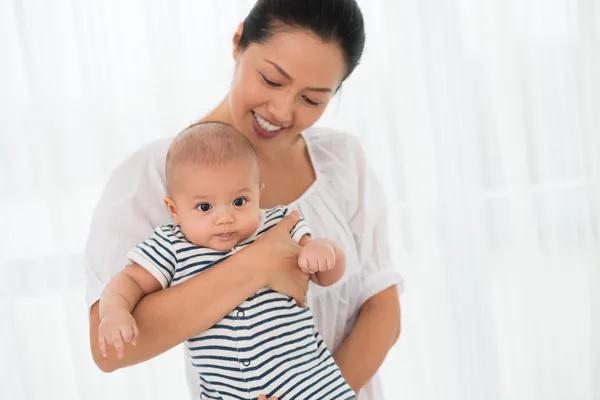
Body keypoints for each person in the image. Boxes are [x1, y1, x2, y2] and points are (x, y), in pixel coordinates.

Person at [84, 0, 404, 399]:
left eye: (312, 99)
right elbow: (110, 351)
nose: (282, 110)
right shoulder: (153, 177)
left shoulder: (341, 161)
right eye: (272, 80)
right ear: (238, 42)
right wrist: (256, 264)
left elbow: (383, 309)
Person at [97, 122, 355, 399]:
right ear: (174, 209)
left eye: (240, 201)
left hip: (311, 387)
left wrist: (323, 252)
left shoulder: (277, 224)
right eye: (205, 207)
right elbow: (129, 280)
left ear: (258, 191)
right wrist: (114, 311)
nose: (225, 218)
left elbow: (327, 275)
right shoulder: (172, 245)